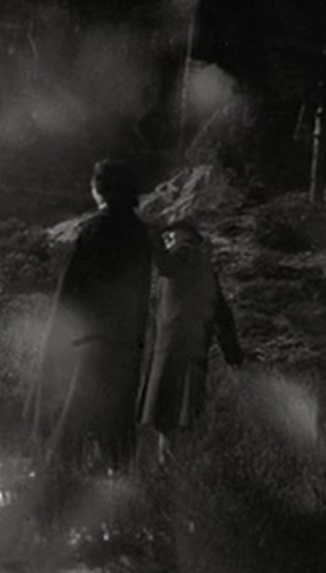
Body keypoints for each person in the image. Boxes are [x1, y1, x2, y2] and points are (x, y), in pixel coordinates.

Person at [26, 159, 153, 476]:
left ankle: (59, 480)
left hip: (90, 338)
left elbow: (72, 288)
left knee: (75, 412)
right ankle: (121, 481)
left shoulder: (95, 229)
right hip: (128, 339)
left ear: (100, 189)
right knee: (117, 416)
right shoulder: (140, 231)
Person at [139, 221, 244, 462]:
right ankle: (178, 468)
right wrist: (232, 355)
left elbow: (165, 265)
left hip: (172, 349)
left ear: (178, 236)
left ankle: (169, 468)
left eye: (168, 237)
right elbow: (222, 315)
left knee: (168, 415)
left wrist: (150, 236)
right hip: (193, 349)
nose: (167, 242)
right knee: (183, 414)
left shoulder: (183, 252)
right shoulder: (204, 267)